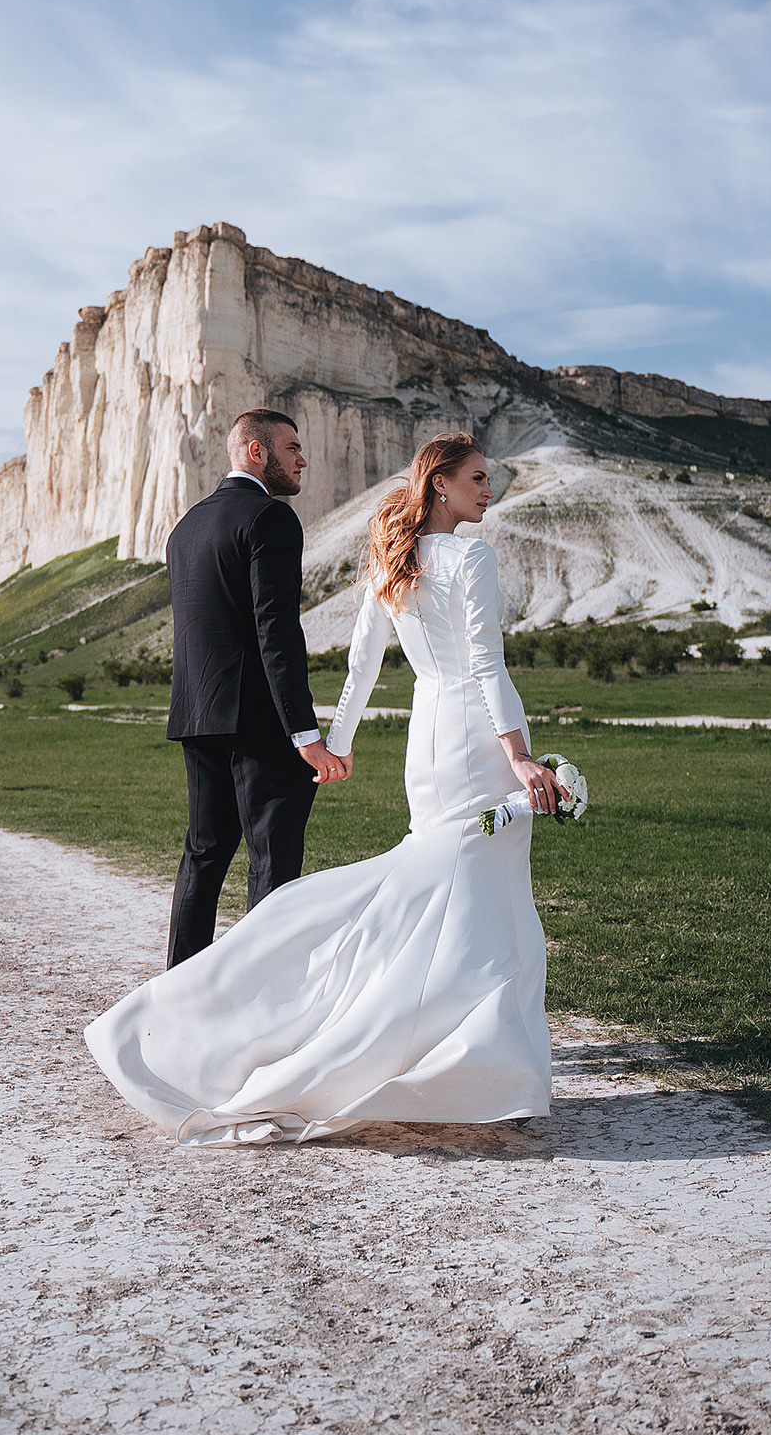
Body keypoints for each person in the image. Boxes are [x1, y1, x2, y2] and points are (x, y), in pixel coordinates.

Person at [85, 431, 557, 1145]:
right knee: (480, 893)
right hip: (470, 732)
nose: (490, 489)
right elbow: (487, 667)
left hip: (425, 742)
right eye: (478, 479)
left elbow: (362, 663)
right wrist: (520, 756)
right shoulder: (472, 557)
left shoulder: (391, 558)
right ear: (440, 486)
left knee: (445, 883)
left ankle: (473, 1057)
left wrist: (337, 742)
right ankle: (477, 1062)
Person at [161, 408, 348, 968]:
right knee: (273, 861)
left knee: (203, 853)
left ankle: (180, 987)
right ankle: (259, 996)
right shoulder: (269, 518)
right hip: (260, 724)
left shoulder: (186, 526)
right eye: (292, 448)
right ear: (256, 452)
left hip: (198, 717)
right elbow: (277, 633)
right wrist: (305, 733)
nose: (302, 459)